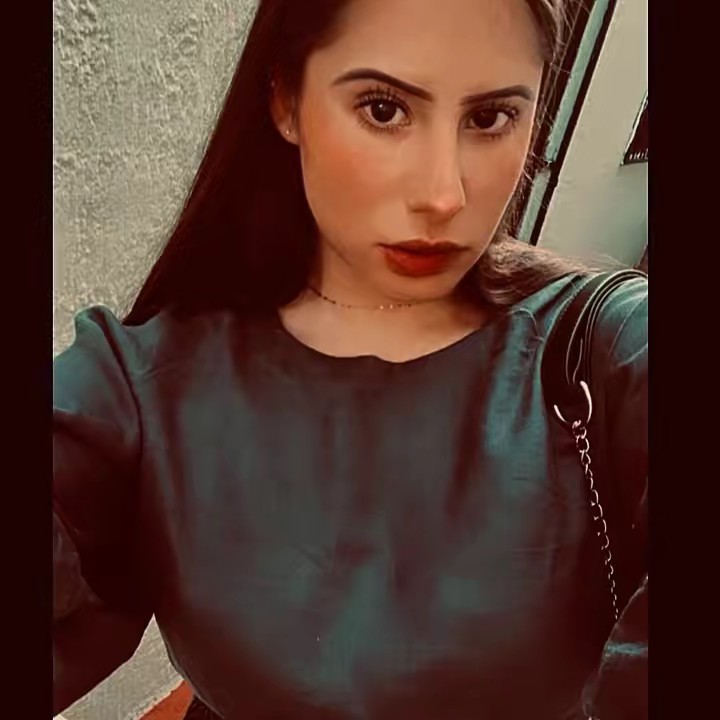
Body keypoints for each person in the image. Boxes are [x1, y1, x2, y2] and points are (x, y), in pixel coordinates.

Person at [53, 0, 648, 718]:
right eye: (384, 109)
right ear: (285, 99)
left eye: (490, 118)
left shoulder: (597, 350)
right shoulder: (146, 384)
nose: (444, 194)